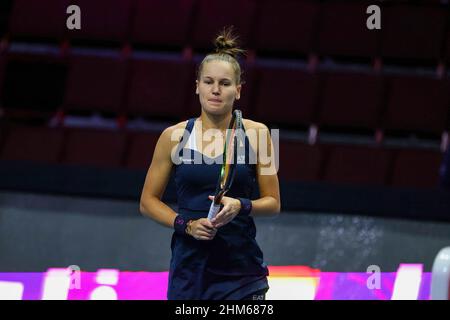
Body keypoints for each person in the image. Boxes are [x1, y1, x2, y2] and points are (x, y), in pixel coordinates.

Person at [139, 27, 281, 300]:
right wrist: (186, 224)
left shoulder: (258, 134)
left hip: (242, 276)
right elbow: (147, 202)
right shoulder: (174, 136)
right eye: (208, 82)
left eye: (225, 84)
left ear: (238, 91)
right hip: (189, 276)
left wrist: (241, 205)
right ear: (197, 86)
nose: (216, 90)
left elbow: (273, 203)